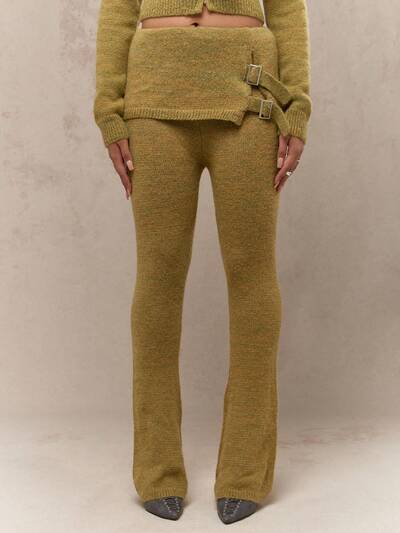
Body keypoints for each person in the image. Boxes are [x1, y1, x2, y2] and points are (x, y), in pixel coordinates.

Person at [93, 0, 311, 525]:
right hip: (153, 100)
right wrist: (109, 111)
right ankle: (157, 470)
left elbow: (287, 8)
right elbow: (118, 10)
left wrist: (298, 106)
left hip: (251, 100)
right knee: (158, 281)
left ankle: (245, 472)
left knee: (252, 277)